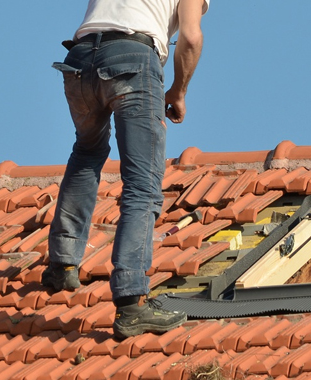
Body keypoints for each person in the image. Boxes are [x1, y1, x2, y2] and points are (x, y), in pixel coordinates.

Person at [42, 0, 209, 340]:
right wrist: (178, 91)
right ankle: (131, 302)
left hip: (79, 59)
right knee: (142, 184)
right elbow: (190, 38)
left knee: (87, 152)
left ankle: (62, 263)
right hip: (132, 59)